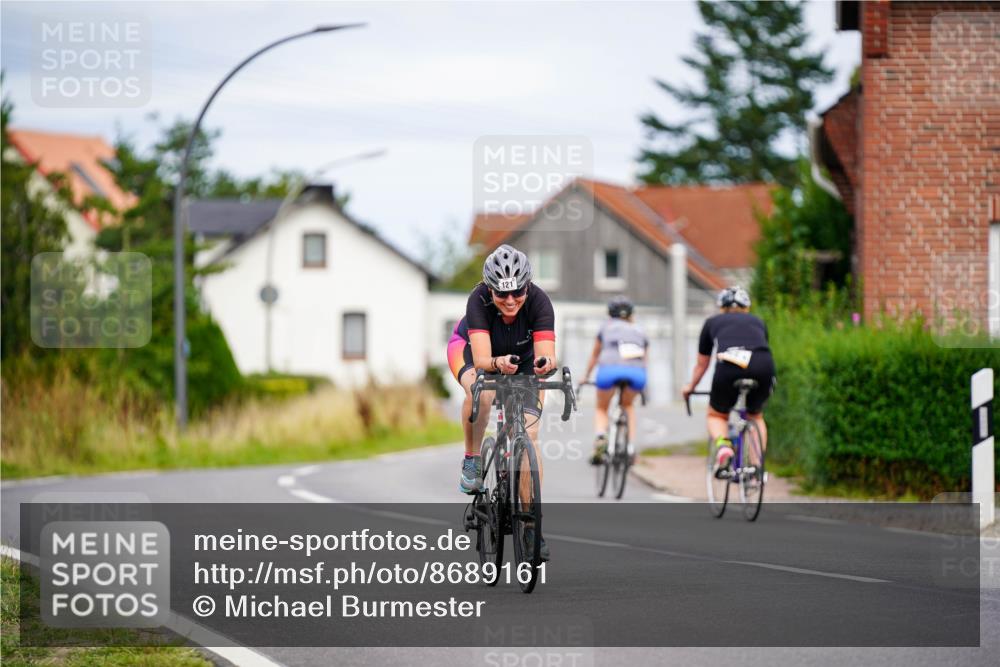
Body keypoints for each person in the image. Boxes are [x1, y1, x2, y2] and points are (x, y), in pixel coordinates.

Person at [446, 244, 556, 560]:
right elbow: (481, 360)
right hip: (471, 353)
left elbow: (548, 351)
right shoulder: (478, 300)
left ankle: (530, 524)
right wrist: (496, 365)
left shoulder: (539, 301)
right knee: (483, 391)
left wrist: (545, 364)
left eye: (517, 292)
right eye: (501, 294)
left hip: (522, 362)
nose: (510, 301)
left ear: (528, 286)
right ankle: (472, 459)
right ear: (490, 289)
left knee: (530, 441)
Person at [681, 286, 775, 475]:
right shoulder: (758, 321)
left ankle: (724, 447)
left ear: (721, 308)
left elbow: (702, 364)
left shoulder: (712, 322)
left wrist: (690, 387)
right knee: (756, 415)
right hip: (763, 365)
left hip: (729, 366)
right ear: (746, 308)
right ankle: (757, 468)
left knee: (716, 415)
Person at [581, 296, 648, 465]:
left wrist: (585, 377)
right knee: (628, 405)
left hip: (609, 371)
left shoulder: (605, 327)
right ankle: (631, 447)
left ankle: (601, 439)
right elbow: (645, 361)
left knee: (602, 407)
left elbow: (595, 356)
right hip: (636, 373)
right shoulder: (640, 330)